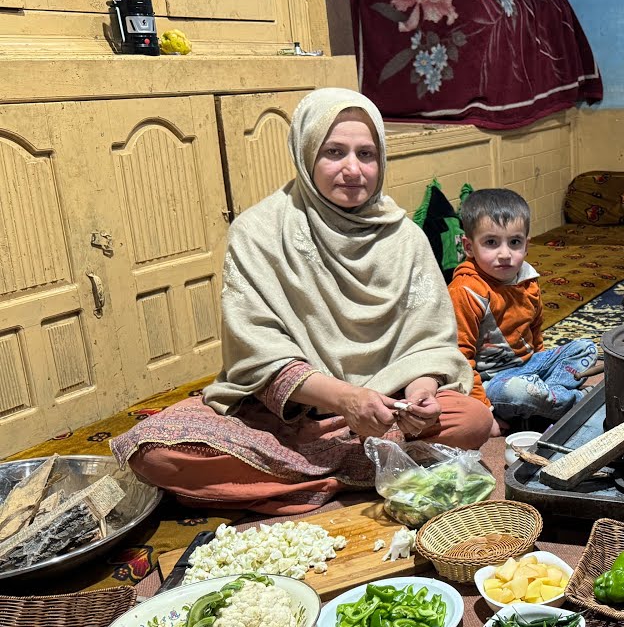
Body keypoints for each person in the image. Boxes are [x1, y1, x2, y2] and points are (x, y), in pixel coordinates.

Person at [112, 88, 495, 515]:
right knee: (153, 453)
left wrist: (421, 394)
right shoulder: (259, 231)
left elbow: (428, 342)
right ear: (306, 153)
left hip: (388, 413)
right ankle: (360, 471)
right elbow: (257, 352)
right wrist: (346, 400)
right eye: (334, 152)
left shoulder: (404, 238)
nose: (353, 169)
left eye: (366, 155)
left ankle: (303, 476)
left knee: (473, 421)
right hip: (290, 418)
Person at [449, 188, 597, 426]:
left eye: (514, 242)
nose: (505, 254)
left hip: (529, 365)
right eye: (491, 242)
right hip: (494, 381)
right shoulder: (466, 290)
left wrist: (542, 362)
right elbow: (459, 358)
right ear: (468, 247)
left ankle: (548, 396)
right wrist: (485, 410)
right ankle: (574, 401)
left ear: (526, 245)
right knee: (519, 392)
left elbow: (535, 329)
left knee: (586, 348)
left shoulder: (527, 277)